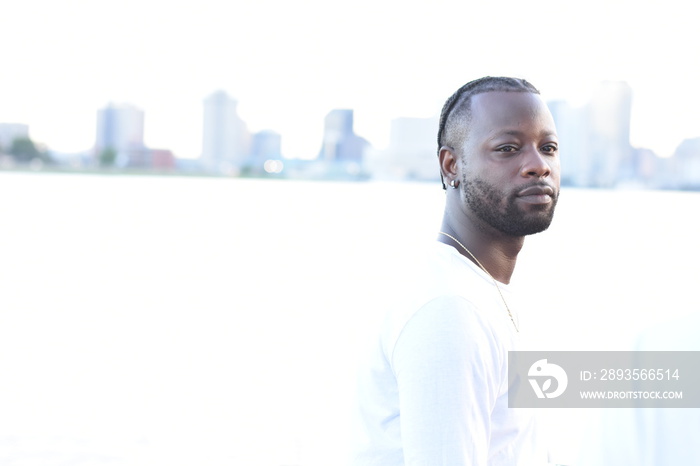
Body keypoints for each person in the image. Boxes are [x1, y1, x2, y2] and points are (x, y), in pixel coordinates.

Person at [351, 77, 561, 465]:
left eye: (548, 147)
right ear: (452, 165)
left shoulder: (481, 290)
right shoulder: (450, 311)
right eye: (508, 149)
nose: (537, 165)